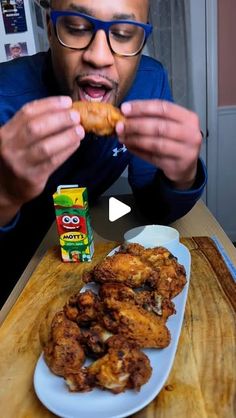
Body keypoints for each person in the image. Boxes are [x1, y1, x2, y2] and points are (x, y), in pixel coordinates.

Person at [0, 0, 206, 306]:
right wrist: (4, 193)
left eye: (124, 33)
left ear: (142, 41)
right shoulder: (5, 92)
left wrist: (183, 178)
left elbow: (154, 207)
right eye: (77, 27)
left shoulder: (149, 82)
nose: (98, 56)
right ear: (52, 29)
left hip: (90, 248)